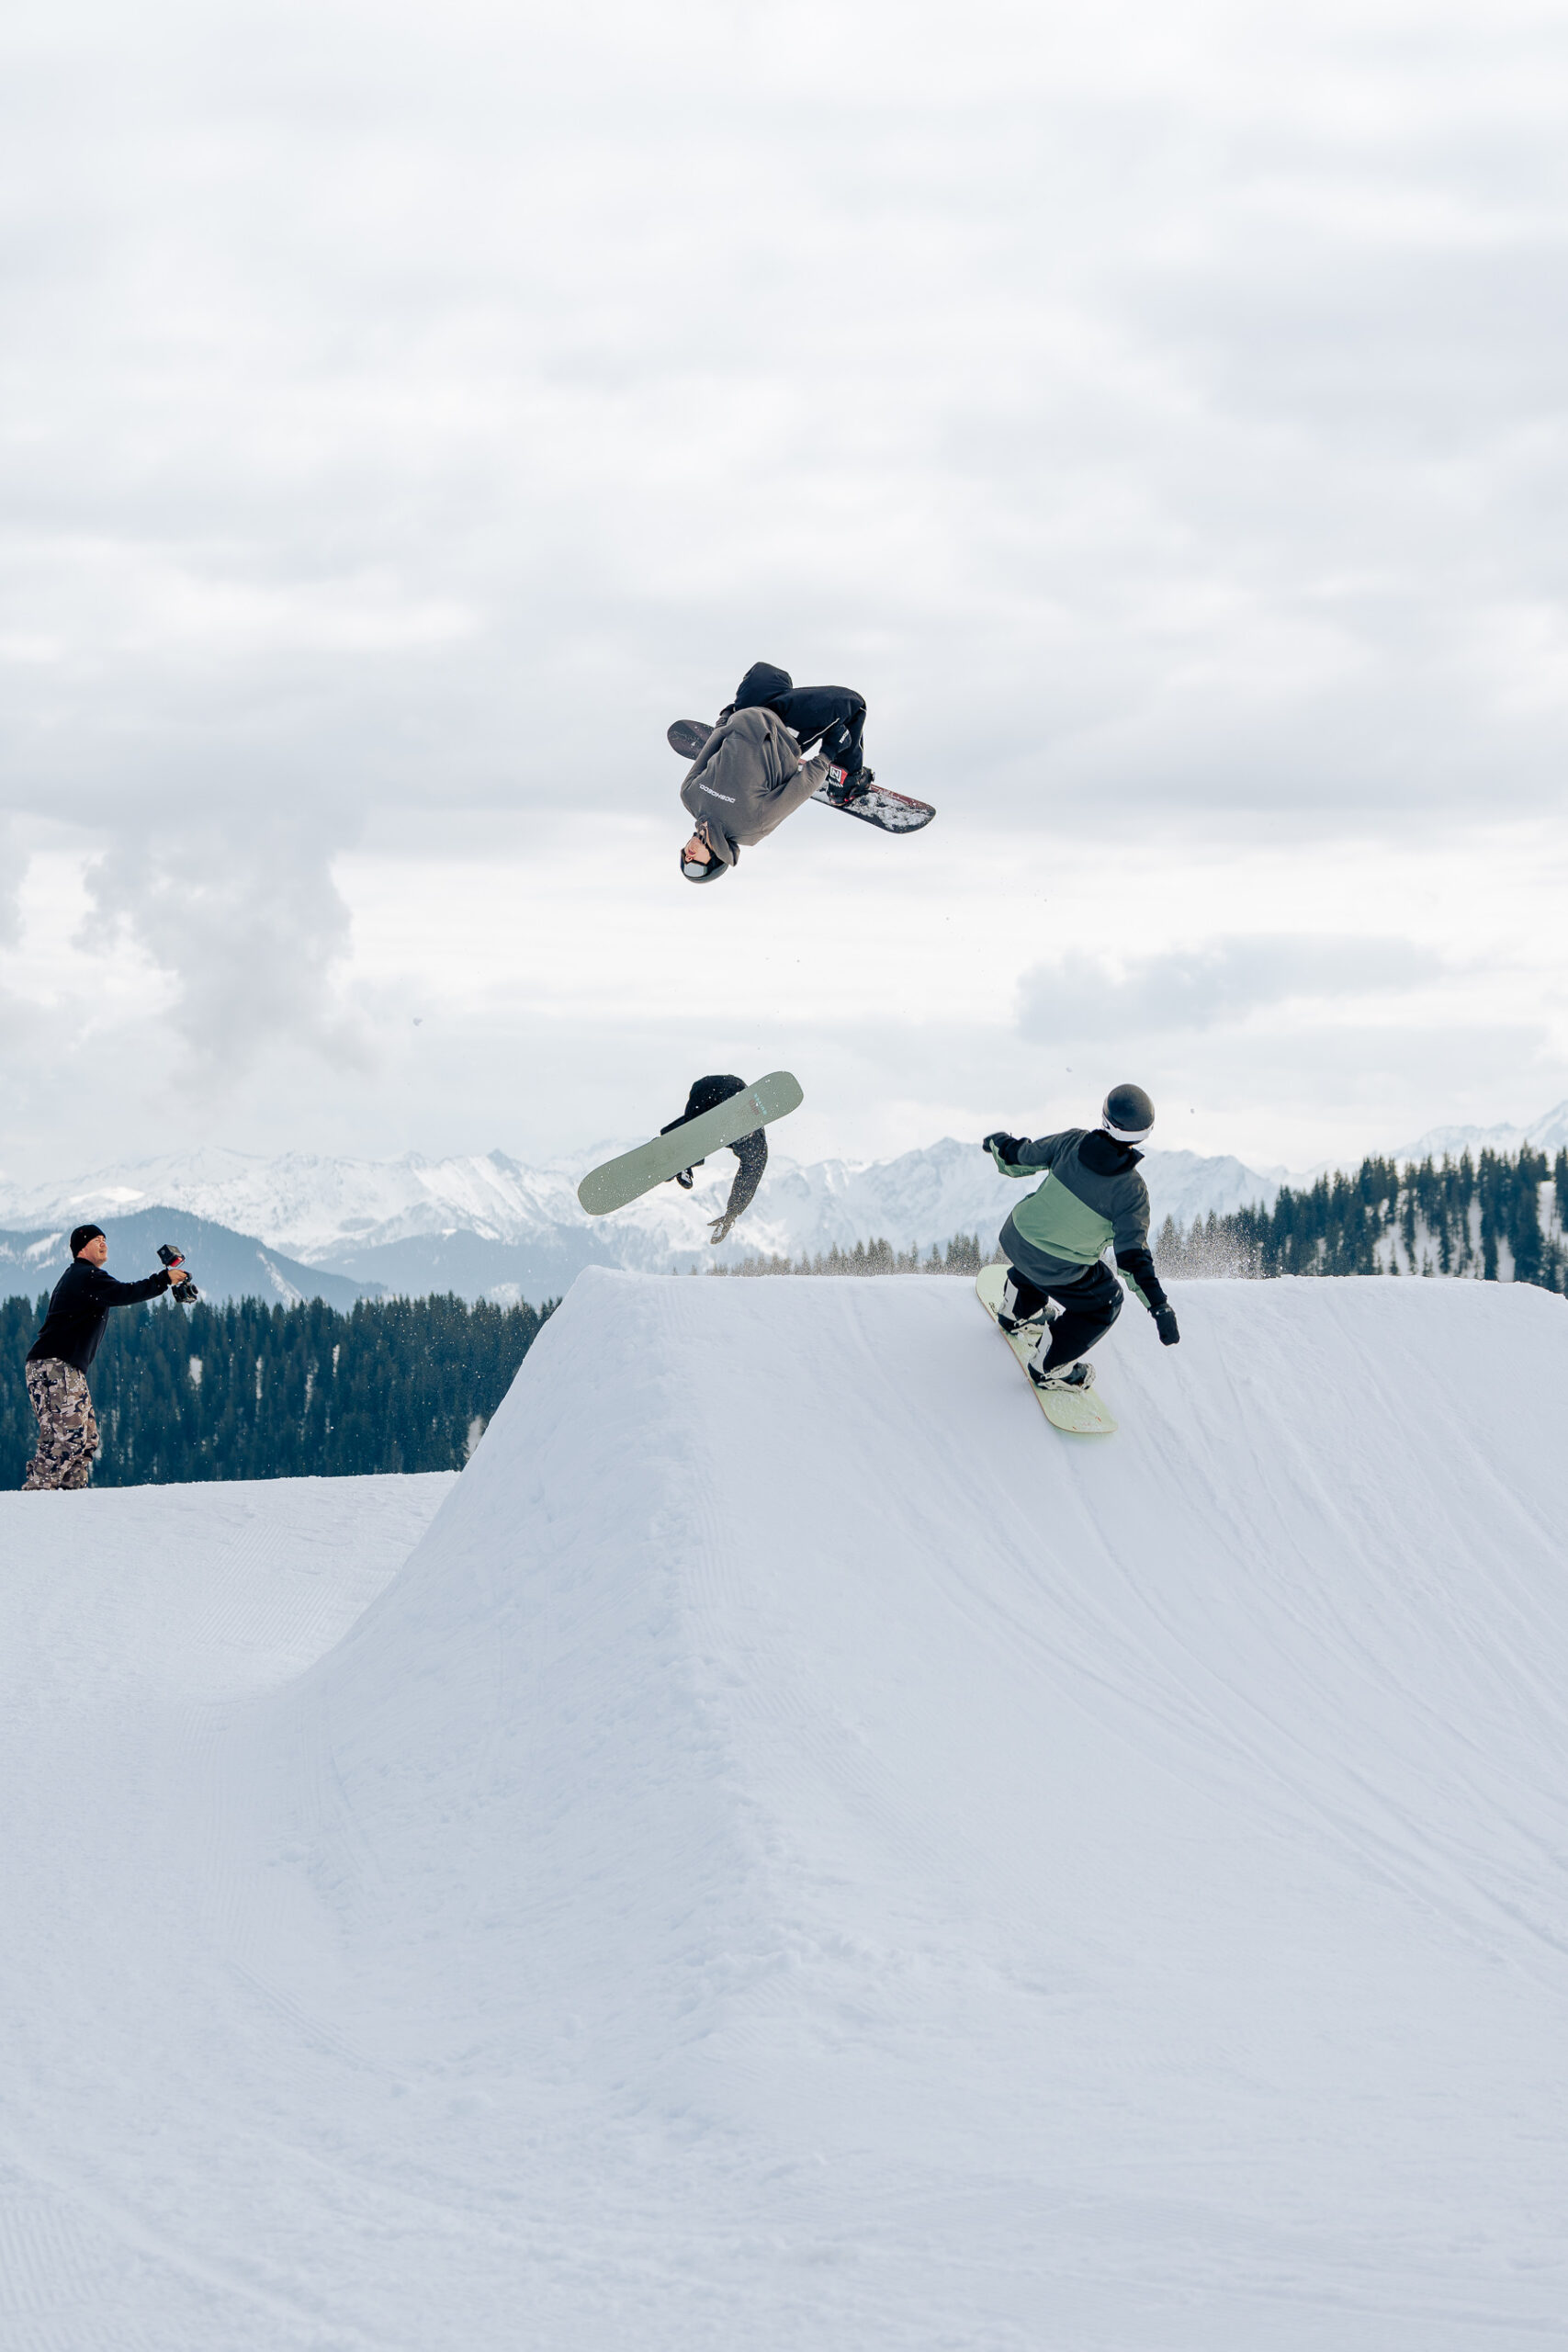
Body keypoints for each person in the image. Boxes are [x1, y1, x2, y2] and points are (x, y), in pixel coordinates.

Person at [983, 1083, 1180, 1391]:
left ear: (1105, 1116)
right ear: (1145, 1133)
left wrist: (999, 1143)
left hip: (1016, 1236)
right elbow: (1132, 1260)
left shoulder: (1072, 1141)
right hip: (1055, 1264)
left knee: (1049, 1247)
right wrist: (1159, 1306)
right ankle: (1049, 1367)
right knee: (1105, 1299)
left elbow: (1019, 1158)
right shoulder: (1131, 1191)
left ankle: (1016, 1311)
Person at [680, 661, 874, 884]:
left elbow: (709, 748)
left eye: (683, 860)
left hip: (746, 715)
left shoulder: (689, 797)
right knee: (853, 704)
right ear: (717, 861)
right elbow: (799, 790)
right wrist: (829, 752)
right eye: (695, 868)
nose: (688, 857)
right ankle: (847, 782)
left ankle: (787, 697)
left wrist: (725, 718)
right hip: (785, 732)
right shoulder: (750, 828)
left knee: (765, 672)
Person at [22, 1225, 183, 1490]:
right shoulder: (85, 1275)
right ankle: (36, 1497)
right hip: (54, 1367)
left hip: (65, 1369)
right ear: (82, 1248)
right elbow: (123, 1293)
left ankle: (68, 1498)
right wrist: (163, 1280)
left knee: (86, 1439)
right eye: (97, 1240)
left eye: (105, 1239)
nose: (104, 1243)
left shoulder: (83, 1277)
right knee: (67, 1438)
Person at [660, 1075, 768, 1241]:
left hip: (707, 1091)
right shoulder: (753, 1144)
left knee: (698, 1133)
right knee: (703, 1133)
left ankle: (681, 1158)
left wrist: (732, 1213)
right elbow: (749, 1178)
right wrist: (732, 1213)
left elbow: (750, 1178)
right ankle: (681, 1158)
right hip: (719, 1092)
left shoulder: (754, 1145)